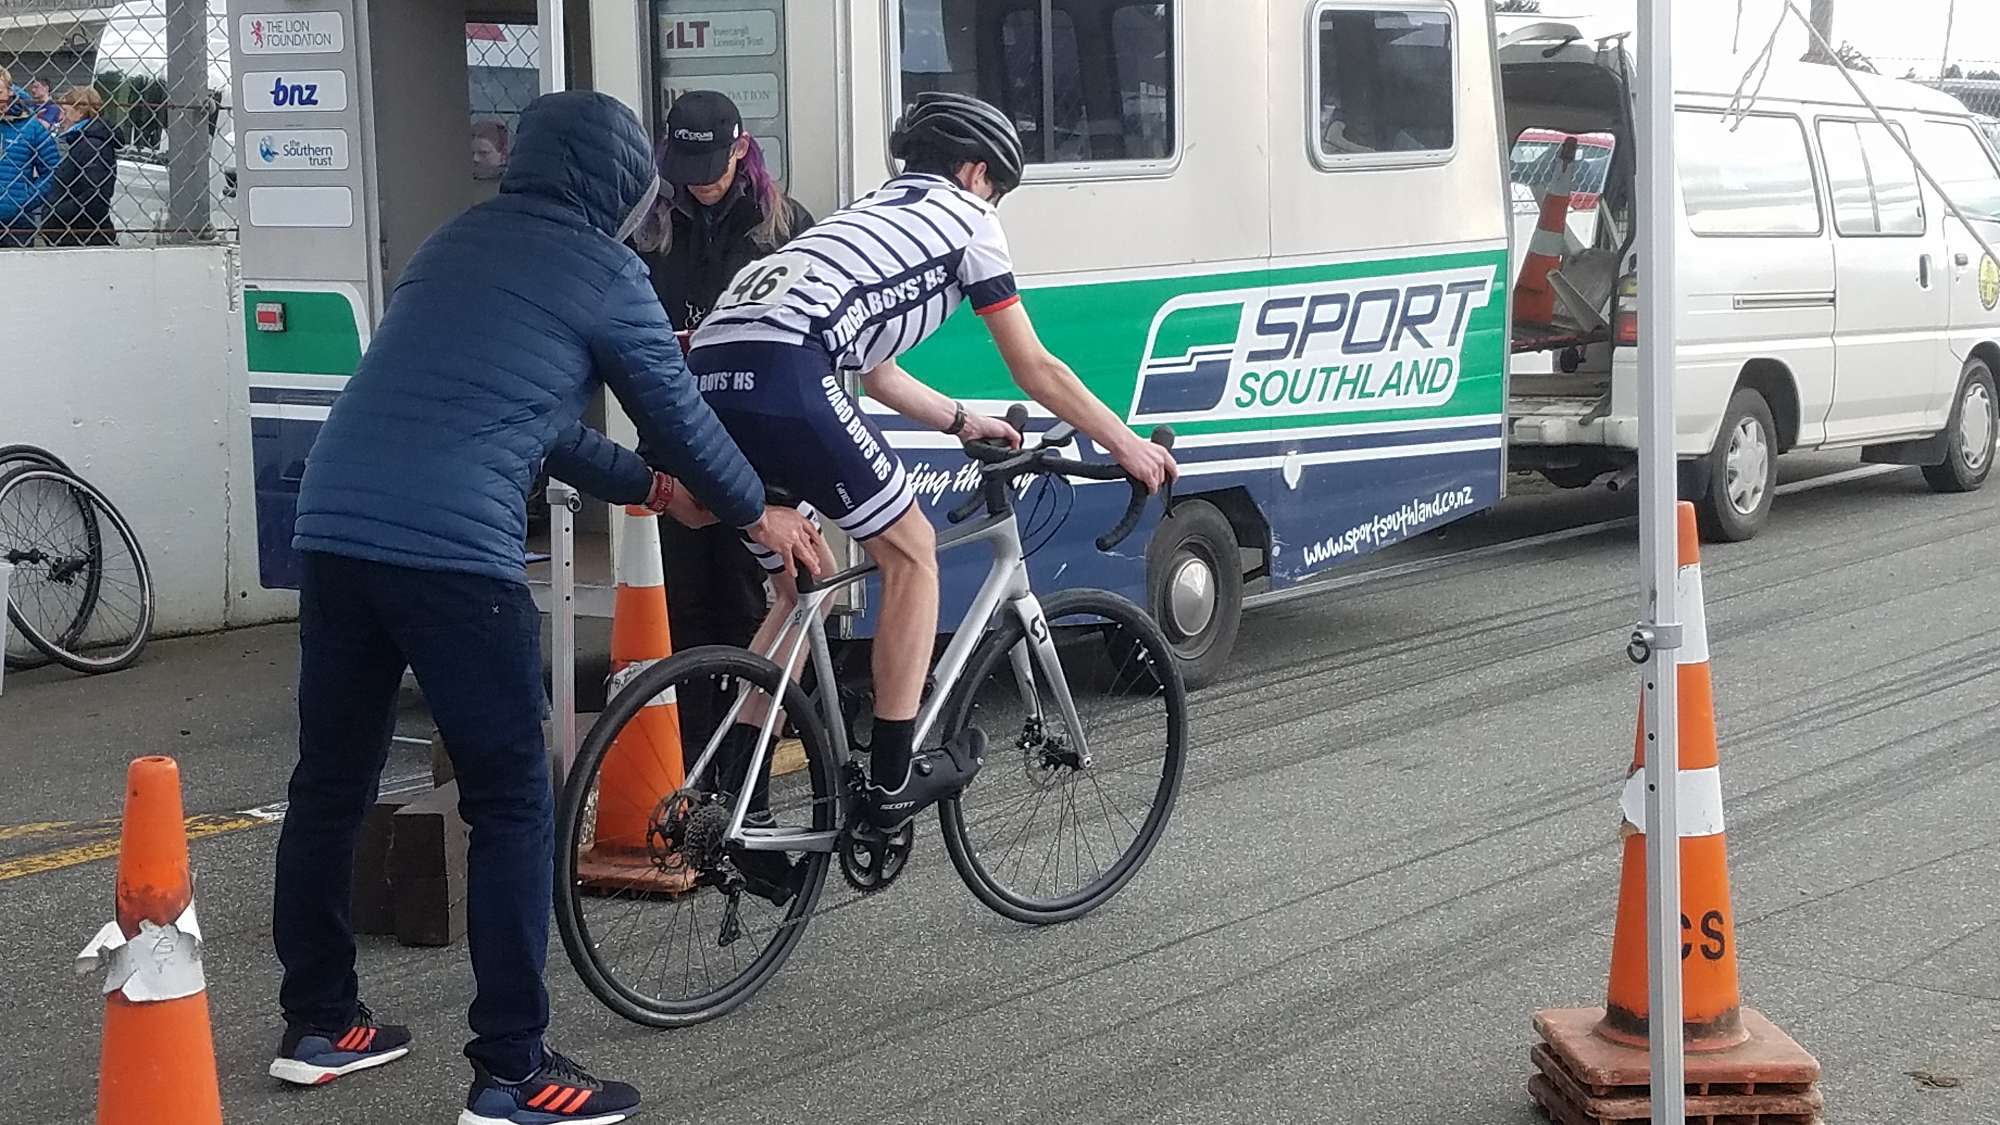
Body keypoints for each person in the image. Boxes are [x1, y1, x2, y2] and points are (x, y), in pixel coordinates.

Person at [269, 90, 823, 1125]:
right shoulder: (605, 271)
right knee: (515, 802)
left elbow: (532, 417)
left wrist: (651, 489)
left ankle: (319, 1022)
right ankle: (513, 1069)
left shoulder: (453, 243)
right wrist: (761, 515)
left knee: (330, 782)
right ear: (618, 185)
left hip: (335, 530)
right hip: (451, 555)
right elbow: (679, 414)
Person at [683, 91, 1178, 895]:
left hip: (710, 372)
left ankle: (733, 798)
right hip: (787, 365)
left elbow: (875, 369)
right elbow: (1034, 365)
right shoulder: (969, 218)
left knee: (798, 589)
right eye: (998, 189)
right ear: (977, 172)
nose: (995, 203)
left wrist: (961, 419)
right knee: (911, 550)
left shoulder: (868, 215)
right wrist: (1126, 444)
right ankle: (889, 778)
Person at [633, 90, 815, 738]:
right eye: (687, 171)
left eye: (712, 168)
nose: (700, 184)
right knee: (683, 608)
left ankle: (742, 758)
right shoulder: (649, 225)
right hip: (675, 441)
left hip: (753, 446)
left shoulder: (783, 225)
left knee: (746, 602)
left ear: (741, 149)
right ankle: (692, 759)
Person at [44, 85, 118, 247]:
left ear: (80, 112)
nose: (60, 118)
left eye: (64, 111)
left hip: (81, 237)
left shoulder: (91, 146)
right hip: (79, 236)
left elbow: (95, 197)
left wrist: (56, 213)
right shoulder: (83, 143)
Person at [0, 69, 60, 246]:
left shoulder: (31, 127)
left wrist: (26, 200)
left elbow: (53, 171)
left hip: (16, 224)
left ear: (10, 92)